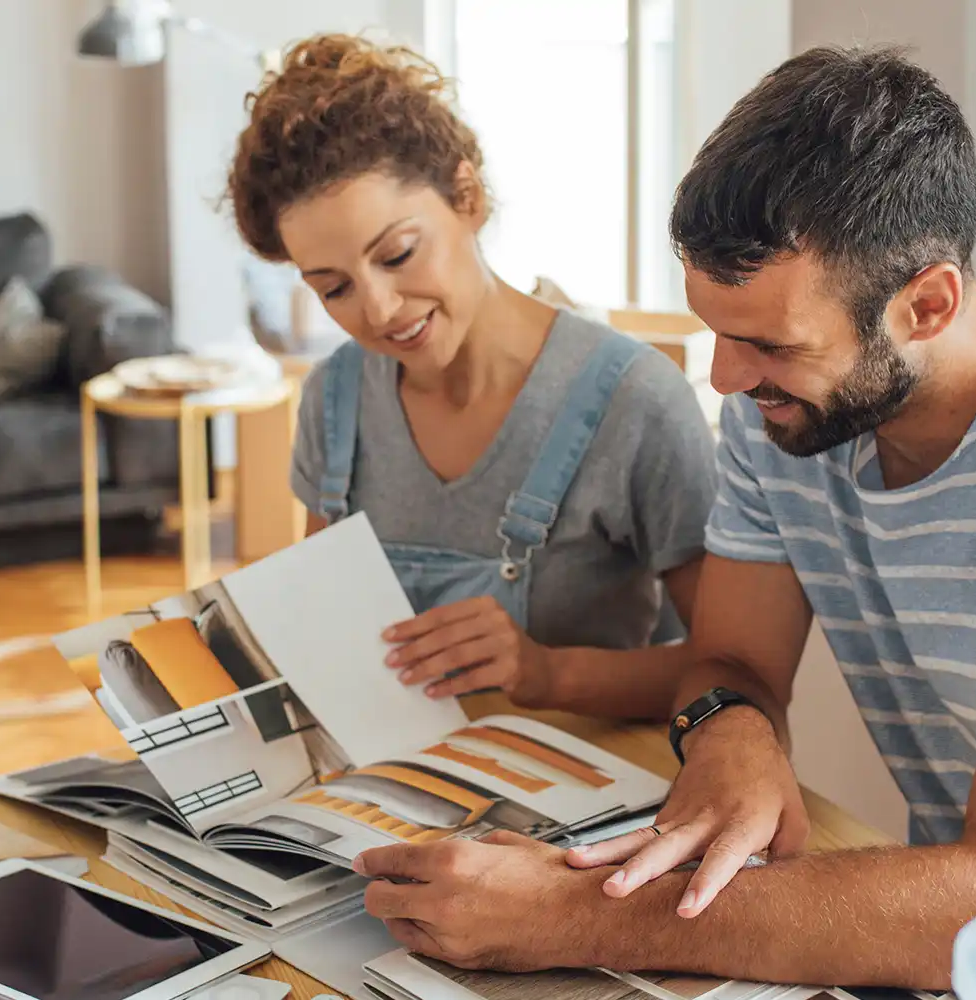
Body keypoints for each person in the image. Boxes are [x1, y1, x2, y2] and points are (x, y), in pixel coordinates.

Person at [351, 45, 976, 992]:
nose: (724, 377)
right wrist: (732, 734)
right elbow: (728, 665)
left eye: (769, 345)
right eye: (715, 332)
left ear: (925, 304)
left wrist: (575, 917)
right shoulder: (779, 414)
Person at [225, 34, 717, 719]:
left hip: (585, 805)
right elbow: (330, 638)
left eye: (397, 254)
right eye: (334, 288)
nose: (379, 311)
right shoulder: (334, 402)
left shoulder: (635, 405)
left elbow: (734, 674)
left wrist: (545, 673)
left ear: (467, 197)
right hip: (392, 800)